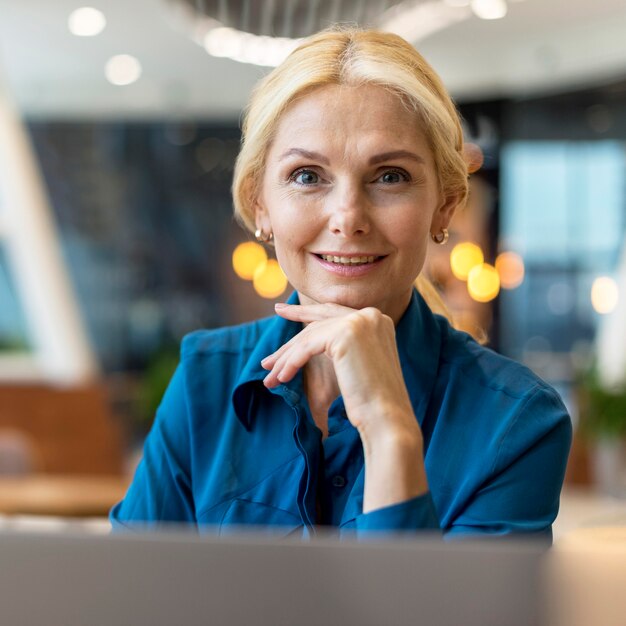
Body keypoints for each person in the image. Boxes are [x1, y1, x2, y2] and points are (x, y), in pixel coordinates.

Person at [111, 27, 572, 539]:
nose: (348, 217)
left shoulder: (517, 420)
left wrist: (388, 429)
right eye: (307, 175)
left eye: (390, 176)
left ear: (443, 205)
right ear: (260, 202)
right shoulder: (204, 383)